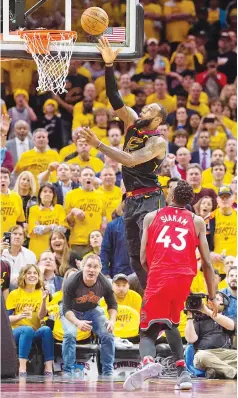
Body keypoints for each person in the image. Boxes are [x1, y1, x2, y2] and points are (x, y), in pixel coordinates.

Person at [80, 37, 167, 289]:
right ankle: (152, 295)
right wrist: (109, 65)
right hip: (131, 199)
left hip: (151, 199)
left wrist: (99, 145)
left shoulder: (158, 142)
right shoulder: (130, 120)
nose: (144, 111)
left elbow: (130, 159)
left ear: (158, 121)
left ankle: (162, 294)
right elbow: (113, 96)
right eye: (145, 107)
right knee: (133, 257)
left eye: (150, 111)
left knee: (148, 253)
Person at [123, 180, 217, 391]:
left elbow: (143, 258)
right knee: (171, 322)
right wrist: (211, 297)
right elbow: (208, 264)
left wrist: (155, 274)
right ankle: (182, 372)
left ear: (171, 197)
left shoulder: (151, 217)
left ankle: (147, 362)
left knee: (147, 329)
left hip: (159, 274)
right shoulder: (197, 221)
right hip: (184, 277)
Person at [62, 254, 117, 376]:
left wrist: (112, 320)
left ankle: (108, 371)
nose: (92, 270)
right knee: (70, 334)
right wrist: (77, 322)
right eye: (89, 266)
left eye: (95, 267)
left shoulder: (105, 283)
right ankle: (68, 371)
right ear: (82, 267)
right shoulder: (71, 281)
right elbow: (65, 308)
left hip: (92, 310)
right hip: (72, 311)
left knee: (108, 333)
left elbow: (112, 305)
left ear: (100, 269)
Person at [6, 264, 54, 376]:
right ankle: (22, 368)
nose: (32, 275)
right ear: (23, 276)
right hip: (16, 332)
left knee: (46, 330)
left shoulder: (41, 293)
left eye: (35, 273)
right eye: (29, 273)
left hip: (34, 331)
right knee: (27, 329)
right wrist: (20, 316)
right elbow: (7, 319)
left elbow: (41, 317)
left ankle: (48, 368)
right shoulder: (14, 294)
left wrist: (43, 301)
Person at [185, 291, 237, 379]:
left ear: (223, 303)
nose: (213, 302)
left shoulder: (228, 318)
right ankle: (233, 372)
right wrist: (190, 316)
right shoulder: (199, 320)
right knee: (201, 356)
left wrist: (208, 311)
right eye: (211, 300)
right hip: (205, 354)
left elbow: (231, 326)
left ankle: (216, 371)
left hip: (225, 354)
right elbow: (191, 340)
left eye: (217, 299)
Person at [65, 167, 107, 257]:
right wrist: (73, 212)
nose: (88, 177)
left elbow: (104, 217)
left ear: (94, 179)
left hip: (96, 243)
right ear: (80, 179)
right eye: (85, 175)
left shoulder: (101, 195)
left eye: (91, 175)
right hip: (78, 242)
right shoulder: (71, 195)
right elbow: (67, 222)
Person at [28, 183, 68, 259]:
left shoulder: (59, 208)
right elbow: (35, 230)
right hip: (37, 249)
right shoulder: (33, 209)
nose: (47, 194)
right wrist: (53, 225)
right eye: (45, 191)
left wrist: (42, 227)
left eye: (50, 192)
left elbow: (63, 229)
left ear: (53, 195)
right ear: (40, 194)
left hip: (55, 250)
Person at [1, 225, 36, 290]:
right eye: (15, 233)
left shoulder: (30, 254)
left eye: (20, 234)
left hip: (23, 287)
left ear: (24, 238)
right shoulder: (2, 251)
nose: (17, 236)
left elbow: (33, 273)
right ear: (9, 236)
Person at [0, 167, 25, 238]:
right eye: (0, 177)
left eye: (5, 177)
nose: (3, 180)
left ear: (9, 180)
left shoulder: (16, 197)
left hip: (11, 238)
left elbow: (20, 222)